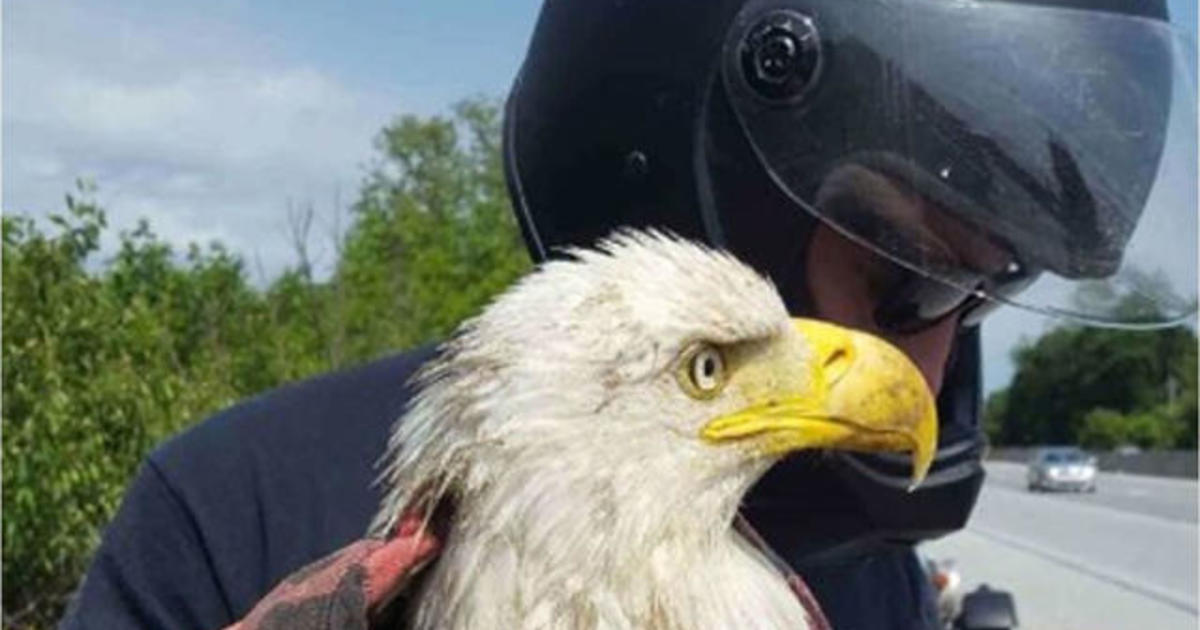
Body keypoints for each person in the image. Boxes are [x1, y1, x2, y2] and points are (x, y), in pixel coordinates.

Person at [61, 0, 1195, 628]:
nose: (922, 362)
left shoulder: (872, 573)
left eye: (980, 289)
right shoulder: (225, 519)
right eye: (908, 271)